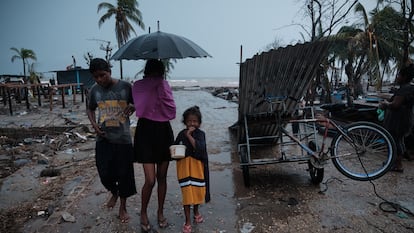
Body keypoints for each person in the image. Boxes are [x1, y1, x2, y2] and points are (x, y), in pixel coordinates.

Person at [86, 58, 137, 223]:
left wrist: (134, 106)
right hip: (103, 139)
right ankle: (114, 192)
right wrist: (94, 124)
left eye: (102, 75)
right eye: (96, 77)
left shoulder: (126, 87)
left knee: (124, 175)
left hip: (123, 139)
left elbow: (139, 103)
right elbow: (90, 108)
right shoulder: (95, 90)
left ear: (110, 71)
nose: (100, 79)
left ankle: (123, 206)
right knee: (104, 172)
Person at [132, 59, 176, 231]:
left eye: (158, 75)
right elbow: (137, 103)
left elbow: (171, 108)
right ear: (147, 73)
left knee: (162, 177)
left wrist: (159, 86)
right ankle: (143, 212)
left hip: (164, 131)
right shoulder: (139, 86)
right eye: (153, 75)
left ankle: (160, 212)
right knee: (150, 180)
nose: (156, 78)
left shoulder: (164, 85)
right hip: (145, 133)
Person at [173, 106, 210, 233]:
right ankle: (188, 220)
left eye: (195, 121)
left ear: (199, 123)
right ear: (185, 122)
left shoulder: (201, 134)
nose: (192, 124)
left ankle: (196, 211)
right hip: (184, 168)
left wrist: (189, 136)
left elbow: (200, 149)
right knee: (187, 195)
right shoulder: (180, 134)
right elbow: (175, 149)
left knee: (198, 191)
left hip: (197, 168)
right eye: (190, 121)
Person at [379, 63, 414, 172]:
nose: (397, 77)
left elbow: (395, 105)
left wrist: (385, 103)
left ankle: (398, 164)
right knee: (398, 140)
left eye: (399, 75)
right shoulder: (408, 88)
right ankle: (393, 162)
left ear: (404, 77)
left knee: (395, 141)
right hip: (404, 118)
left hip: (399, 120)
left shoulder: (406, 89)